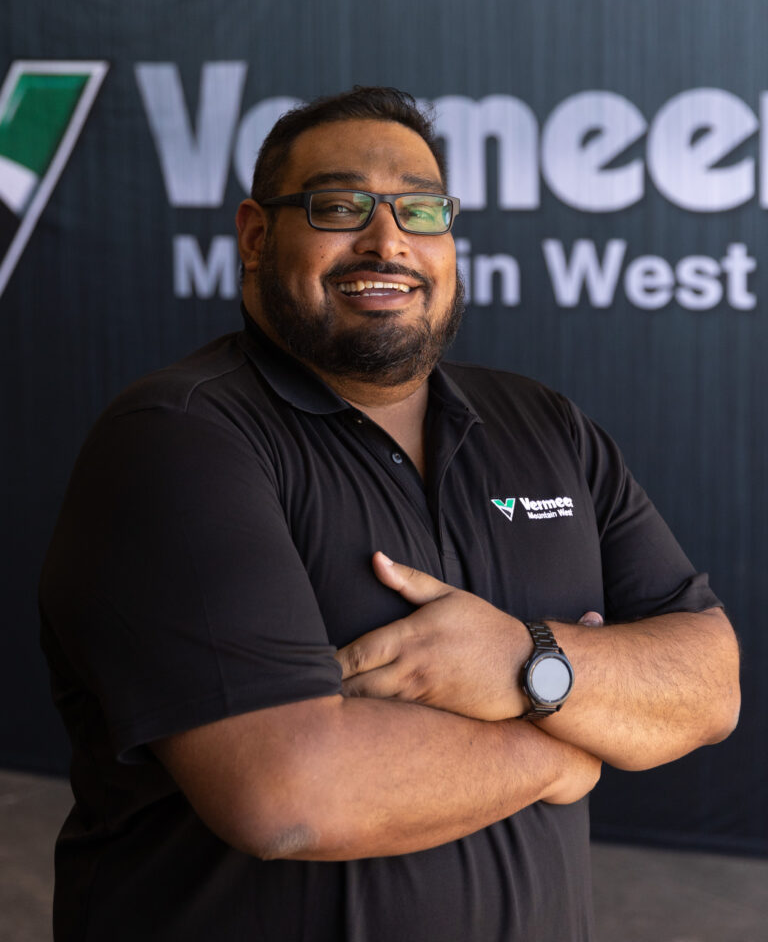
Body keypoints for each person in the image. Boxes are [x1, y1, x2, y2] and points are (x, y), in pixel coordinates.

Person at [40, 86, 740, 942]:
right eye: (340, 207)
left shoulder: (543, 424)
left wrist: (525, 662)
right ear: (257, 236)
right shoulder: (181, 437)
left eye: (421, 209)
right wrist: (567, 743)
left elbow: (709, 685)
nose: (388, 241)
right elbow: (288, 796)